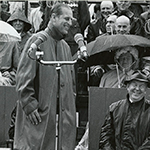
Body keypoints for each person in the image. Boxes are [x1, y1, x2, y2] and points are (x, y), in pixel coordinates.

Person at [14, 3, 76, 150]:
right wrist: (29, 105)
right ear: (53, 17)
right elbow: (23, 77)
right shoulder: (36, 41)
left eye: (71, 20)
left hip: (60, 116)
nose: (70, 23)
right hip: (38, 115)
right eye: (66, 18)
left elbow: (70, 82)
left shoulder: (65, 47)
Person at [99, 70, 150, 150]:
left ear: (145, 90)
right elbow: (106, 135)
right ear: (127, 86)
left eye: (141, 86)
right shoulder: (114, 108)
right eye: (134, 85)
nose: (137, 89)